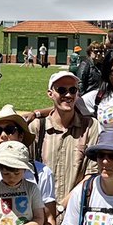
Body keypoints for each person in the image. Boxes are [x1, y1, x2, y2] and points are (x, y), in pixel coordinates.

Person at [29, 70, 101, 214]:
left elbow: (91, 175)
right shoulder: (37, 127)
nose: (68, 95)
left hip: (76, 211)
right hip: (40, 213)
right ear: (50, 93)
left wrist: (62, 206)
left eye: (72, 90)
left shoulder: (90, 127)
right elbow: (28, 172)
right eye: (61, 90)